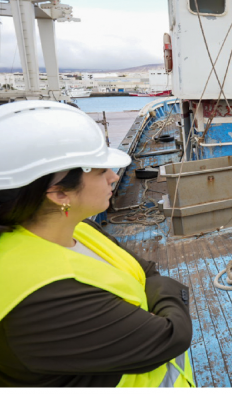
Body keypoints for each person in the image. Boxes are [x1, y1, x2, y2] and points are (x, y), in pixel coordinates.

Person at [0, 101, 194, 387]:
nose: (114, 176)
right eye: (101, 171)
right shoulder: (40, 297)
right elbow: (170, 335)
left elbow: (149, 270)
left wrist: (153, 292)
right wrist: (165, 295)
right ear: (58, 193)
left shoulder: (81, 228)